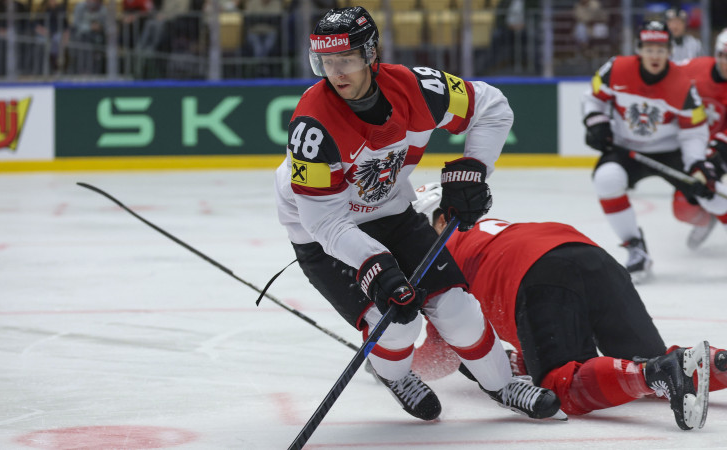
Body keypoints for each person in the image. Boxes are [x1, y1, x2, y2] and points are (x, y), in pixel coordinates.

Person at [274, 6, 563, 423]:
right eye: (326, 62)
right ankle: (394, 375)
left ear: (371, 54)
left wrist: (473, 169)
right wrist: (374, 263)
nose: (336, 73)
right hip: (324, 235)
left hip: (391, 212)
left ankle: (502, 386)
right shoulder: (312, 129)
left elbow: (492, 106)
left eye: (346, 59)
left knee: (457, 309)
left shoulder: (419, 89)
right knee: (397, 324)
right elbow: (324, 222)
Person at [409, 182, 722, 431]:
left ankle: (656, 372)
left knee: (561, 385)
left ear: (442, 220)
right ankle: (709, 363)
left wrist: (397, 367)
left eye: (415, 233)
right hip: (589, 254)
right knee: (644, 360)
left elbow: (443, 354)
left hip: (540, 273)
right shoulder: (486, 232)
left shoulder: (439, 259)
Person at [581, 20, 727, 282]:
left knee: (709, 191)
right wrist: (596, 121)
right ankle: (635, 248)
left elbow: (693, 131)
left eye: (661, 50)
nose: (655, 56)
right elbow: (593, 97)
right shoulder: (615, 69)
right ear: (639, 49)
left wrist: (696, 163)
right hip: (625, 149)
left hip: (670, 151)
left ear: (670, 51)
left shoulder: (683, 84)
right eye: (649, 49)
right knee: (606, 179)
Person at [672, 28, 727, 249]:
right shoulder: (693, 68)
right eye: (723, 55)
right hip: (697, 147)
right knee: (683, 207)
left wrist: (717, 147)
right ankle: (708, 219)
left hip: (721, 147)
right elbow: (664, 80)